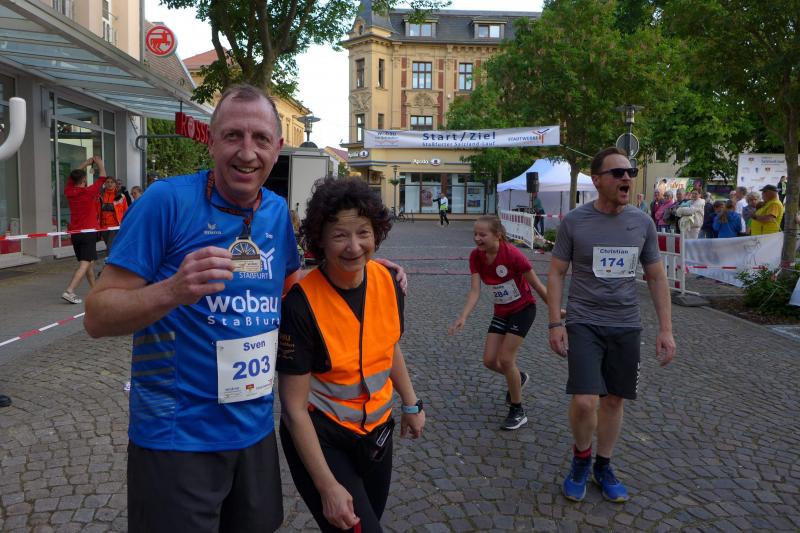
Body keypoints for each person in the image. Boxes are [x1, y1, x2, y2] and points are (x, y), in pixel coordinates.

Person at [84, 85, 320, 532]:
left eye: (260, 139)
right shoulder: (166, 201)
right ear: (210, 141)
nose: (246, 152)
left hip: (254, 431)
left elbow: (292, 288)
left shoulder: (274, 211)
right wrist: (172, 290)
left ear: (277, 148)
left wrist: (357, 270)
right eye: (232, 136)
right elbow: (96, 316)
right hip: (176, 438)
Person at [278, 177, 424, 533]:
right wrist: (327, 486)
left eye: (363, 233)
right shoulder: (301, 304)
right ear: (320, 240)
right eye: (340, 235)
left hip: (376, 434)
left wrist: (411, 403)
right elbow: (293, 408)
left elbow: (388, 347)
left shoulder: (389, 281)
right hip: (322, 437)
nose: (354, 246)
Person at [547, 147, 675, 503]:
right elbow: (556, 272)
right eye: (618, 173)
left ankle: (603, 465)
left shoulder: (642, 223)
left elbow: (657, 277)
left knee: (614, 400)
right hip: (584, 321)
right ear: (597, 180)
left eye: (630, 172)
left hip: (626, 323)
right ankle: (581, 459)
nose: (626, 178)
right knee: (585, 400)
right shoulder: (575, 221)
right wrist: (555, 322)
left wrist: (666, 329)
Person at [448, 215, 558, 430]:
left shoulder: (513, 255)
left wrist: (555, 311)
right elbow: (475, 290)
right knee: (489, 360)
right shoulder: (476, 256)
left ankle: (518, 410)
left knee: (506, 359)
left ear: (497, 235)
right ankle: (518, 377)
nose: (477, 238)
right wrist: (463, 316)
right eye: (475, 234)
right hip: (502, 312)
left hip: (523, 310)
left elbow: (537, 285)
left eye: (482, 235)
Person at [62, 155, 108, 304]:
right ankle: (70, 291)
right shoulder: (89, 192)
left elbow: (72, 176)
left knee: (89, 263)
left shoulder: (69, 191)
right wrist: (99, 163)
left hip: (75, 233)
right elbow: (103, 177)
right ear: (83, 180)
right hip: (88, 232)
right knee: (85, 263)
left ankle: (95, 290)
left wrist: (86, 163)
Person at [98, 176, 129, 254]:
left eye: (112, 182)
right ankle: (116, 257)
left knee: (110, 247)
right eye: (108, 182)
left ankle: (110, 260)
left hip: (115, 225)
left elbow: (126, 211)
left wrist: (125, 223)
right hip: (103, 226)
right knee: (109, 245)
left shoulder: (121, 196)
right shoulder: (100, 195)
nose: (110, 184)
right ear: (105, 184)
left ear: (115, 184)